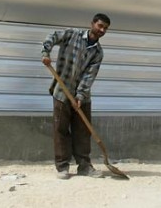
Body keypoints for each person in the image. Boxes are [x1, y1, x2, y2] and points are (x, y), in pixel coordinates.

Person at [41, 13, 111, 179]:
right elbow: (53, 36)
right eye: (100, 26)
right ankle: (62, 167)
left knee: (83, 131)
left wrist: (80, 95)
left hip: (82, 96)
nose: (102, 30)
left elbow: (89, 75)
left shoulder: (98, 52)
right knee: (61, 130)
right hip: (61, 90)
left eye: (105, 29)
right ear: (92, 23)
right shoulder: (72, 34)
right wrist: (46, 52)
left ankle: (84, 166)